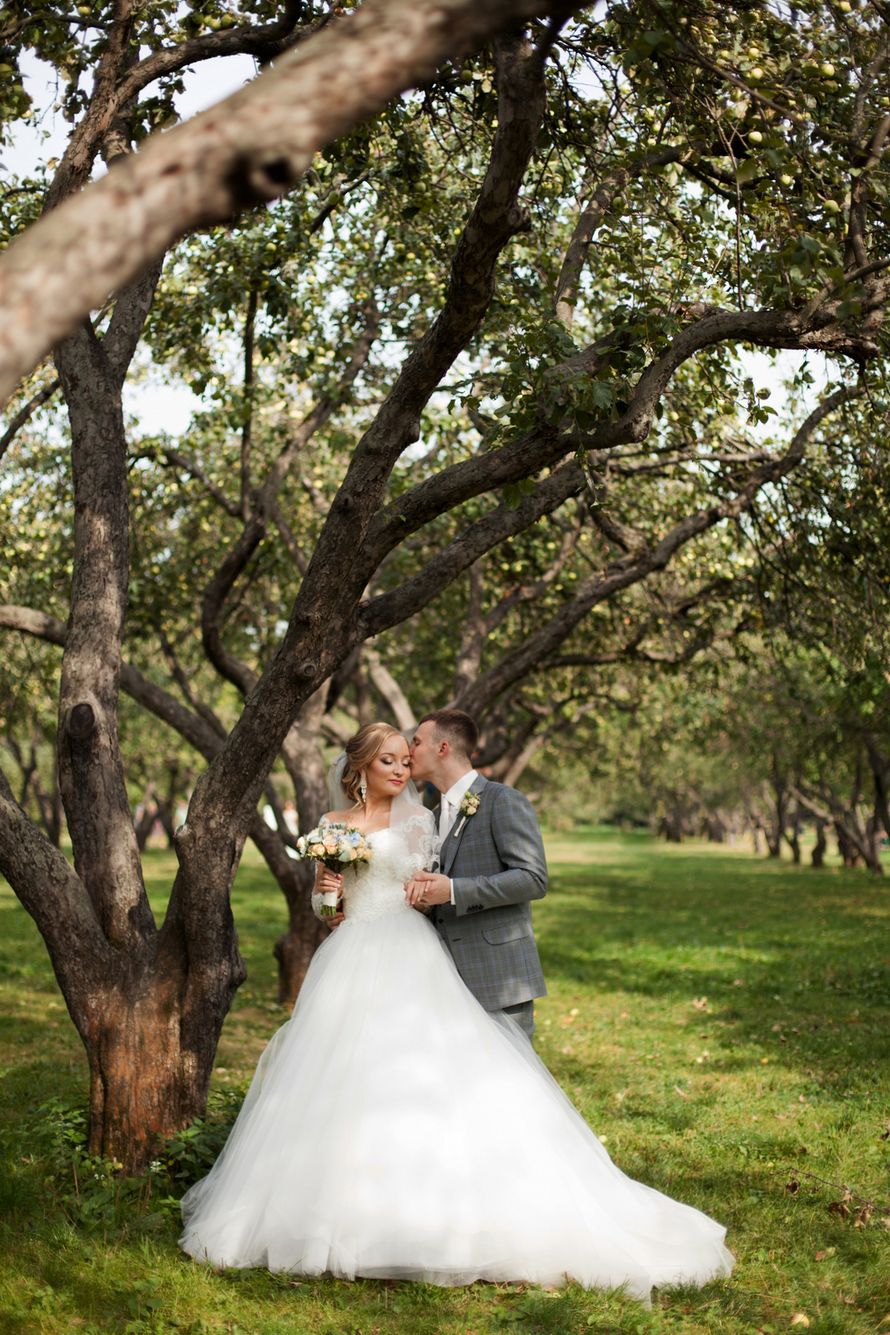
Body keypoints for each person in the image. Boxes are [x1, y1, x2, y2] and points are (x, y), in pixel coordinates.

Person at [180, 722, 733, 1298]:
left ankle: (453, 1216)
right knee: (347, 1082)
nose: (400, 767)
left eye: (405, 756)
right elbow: (329, 907)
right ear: (361, 767)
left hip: (413, 954)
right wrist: (326, 890)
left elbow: (438, 885)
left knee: (438, 1083)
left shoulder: (421, 820)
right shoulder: (332, 828)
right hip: (350, 956)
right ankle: (344, 1214)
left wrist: (435, 891)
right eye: (389, 760)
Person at [404, 709, 547, 1040]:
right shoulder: (431, 816)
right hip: (443, 976)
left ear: (442, 748)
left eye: (417, 742)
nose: (409, 752)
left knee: (511, 1081)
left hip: (498, 974)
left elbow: (533, 879)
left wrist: (454, 891)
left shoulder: (502, 801)